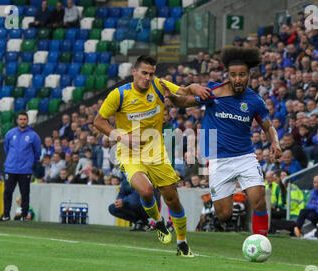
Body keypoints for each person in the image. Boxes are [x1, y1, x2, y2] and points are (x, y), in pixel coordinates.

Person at [94, 55, 210, 257]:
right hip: (129, 153)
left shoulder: (158, 85)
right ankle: (157, 221)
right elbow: (99, 121)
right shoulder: (118, 95)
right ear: (134, 72)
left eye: (151, 73)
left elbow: (181, 93)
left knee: (172, 198)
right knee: (146, 191)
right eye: (144, 73)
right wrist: (122, 137)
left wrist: (193, 86)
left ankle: (182, 243)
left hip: (156, 152)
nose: (148, 77)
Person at [161, 46, 282, 237]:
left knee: (258, 199)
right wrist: (172, 98)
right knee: (224, 214)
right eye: (233, 75)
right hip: (218, 160)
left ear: (249, 75)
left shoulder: (255, 101)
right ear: (228, 75)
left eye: (242, 75)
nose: (237, 79)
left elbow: (268, 127)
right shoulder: (214, 92)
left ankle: (262, 241)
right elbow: (184, 102)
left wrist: (275, 142)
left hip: (245, 157)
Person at [0, 111, 41, 221]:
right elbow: (6, 149)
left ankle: (24, 215)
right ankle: (6, 215)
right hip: (11, 168)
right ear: (17, 120)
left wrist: (30, 163)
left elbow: (37, 152)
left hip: (25, 169)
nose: (22, 121)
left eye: (24, 119)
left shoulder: (33, 135)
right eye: (21, 119)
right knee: (7, 192)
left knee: (25, 193)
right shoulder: (10, 133)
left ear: (27, 121)